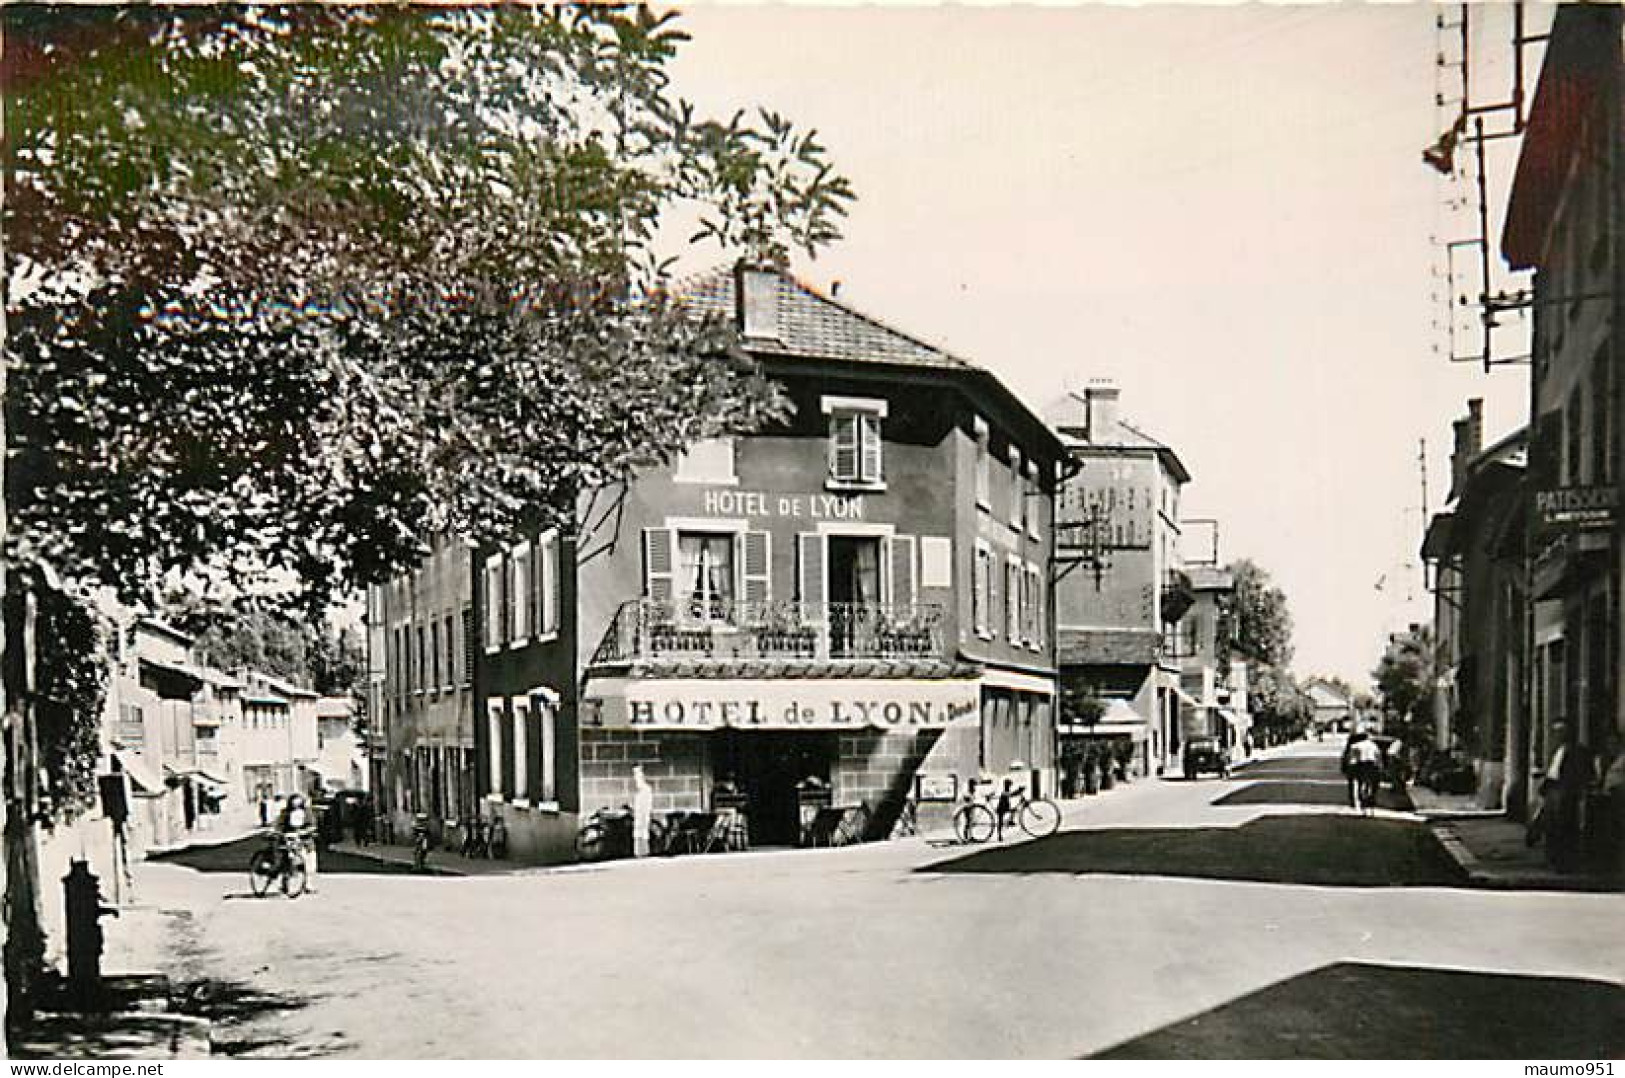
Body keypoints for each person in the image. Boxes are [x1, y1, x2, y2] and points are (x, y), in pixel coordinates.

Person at [1541, 721, 1596, 873]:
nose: (1557, 736)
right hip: (1554, 793)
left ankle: (1566, 863)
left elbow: (1585, 774)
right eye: (1555, 732)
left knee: (1566, 829)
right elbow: (1552, 772)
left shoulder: (1579, 752)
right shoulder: (1556, 751)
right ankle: (1554, 860)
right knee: (1552, 828)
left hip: (1568, 795)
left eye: (1561, 732)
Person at [277, 793, 318, 892]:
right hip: (291, 840)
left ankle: (308, 884)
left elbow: (312, 825)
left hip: (306, 841)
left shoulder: (307, 813)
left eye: (298, 803)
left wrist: (306, 831)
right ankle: (285, 883)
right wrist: (283, 833)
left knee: (310, 864)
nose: (296, 805)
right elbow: (280, 825)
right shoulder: (285, 813)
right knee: (290, 862)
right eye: (293, 803)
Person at [1343, 731, 1383, 813]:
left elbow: (1352, 759)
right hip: (1372, 765)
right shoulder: (1374, 745)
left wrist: (1350, 769)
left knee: (1359, 784)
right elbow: (1378, 758)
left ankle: (1360, 801)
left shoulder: (1355, 745)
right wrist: (1380, 768)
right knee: (1374, 783)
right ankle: (1371, 800)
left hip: (1360, 765)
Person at [632, 764, 654, 858]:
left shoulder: (646, 789)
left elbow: (647, 804)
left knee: (643, 830)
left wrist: (646, 814)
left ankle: (644, 851)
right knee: (638, 831)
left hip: (643, 813)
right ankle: (639, 852)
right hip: (639, 814)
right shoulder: (639, 791)